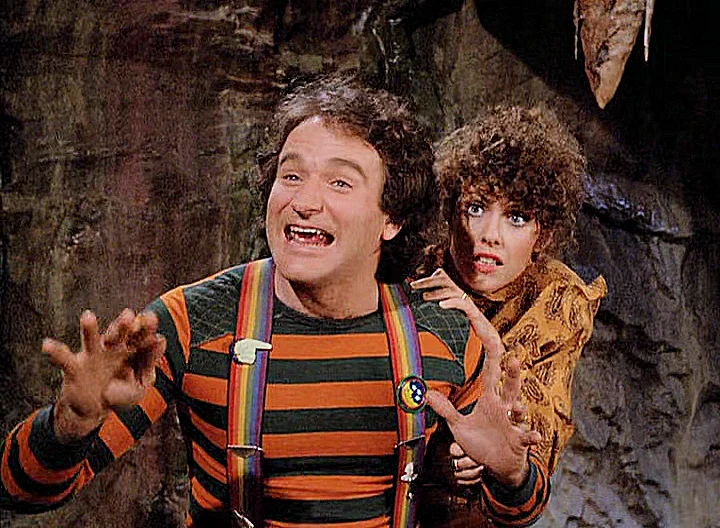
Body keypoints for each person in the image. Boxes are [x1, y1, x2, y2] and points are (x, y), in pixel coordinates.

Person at [1, 78, 549, 527]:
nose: (304, 201)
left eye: (340, 183)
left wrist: (511, 473)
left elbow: (520, 510)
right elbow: (17, 493)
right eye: (291, 175)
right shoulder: (192, 322)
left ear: (392, 218)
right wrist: (71, 422)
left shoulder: (443, 334)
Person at [411, 105, 607, 525]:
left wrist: (503, 468)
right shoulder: (413, 274)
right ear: (450, 211)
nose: (489, 236)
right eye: (476, 208)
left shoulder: (557, 297)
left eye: (516, 217)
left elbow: (530, 448)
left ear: (543, 235)